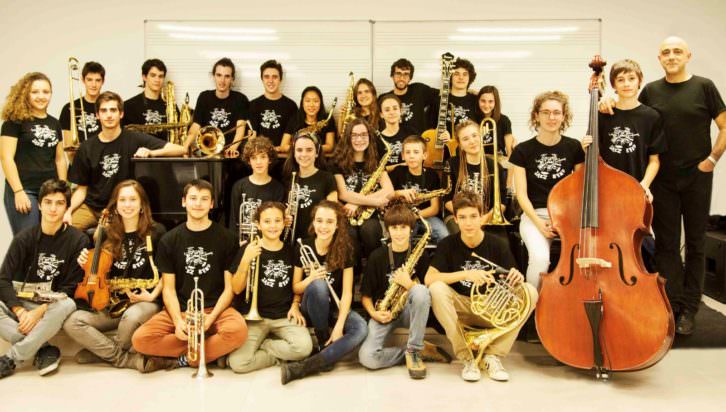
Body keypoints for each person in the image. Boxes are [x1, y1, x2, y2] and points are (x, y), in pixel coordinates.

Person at [601, 37, 726, 334]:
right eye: (666, 52)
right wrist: (606, 99)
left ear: (688, 55)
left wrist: (712, 158)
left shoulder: (704, 86)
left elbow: (724, 125)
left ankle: (691, 310)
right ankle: (673, 304)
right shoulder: (652, 90)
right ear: (659, 58)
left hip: (697, 177)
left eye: (677, 51)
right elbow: (629, 113)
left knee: (695, 243)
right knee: (667, 245)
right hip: (663, 180)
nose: (672, 56)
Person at [131, 179, 248, 368]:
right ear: (184, 201)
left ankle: (186, 359)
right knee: (140, 339)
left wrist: (210, 319)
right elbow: (168, 290)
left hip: (216, 310)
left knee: (239, 331)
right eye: (193, 198)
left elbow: (229, 289)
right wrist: (178, 322)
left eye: (204, 199)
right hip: (183, 309)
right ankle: (206, 353)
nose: (198, 204)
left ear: (211, 204)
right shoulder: (169, 240)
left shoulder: (227, 238)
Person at [425, 191, 538, 382]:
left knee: (530, 292)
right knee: (436, 288)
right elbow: (429, 279)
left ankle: (493, 355)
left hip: (491, 309)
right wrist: (466, 274)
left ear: (481, 217)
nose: (468, 223)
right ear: (456, 220)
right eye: (462, 217)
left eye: (473, 216)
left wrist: (517, 277)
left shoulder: (498, 244)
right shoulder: (447, 244)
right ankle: (467, 357)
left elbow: (512, 281)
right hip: (461, 308)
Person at [63, 180, 173, 372]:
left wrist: (153, 295)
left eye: (132, 199)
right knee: (72, 321)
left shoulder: (157, 232)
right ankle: (124, 358)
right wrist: (85, 263)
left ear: (142, 205)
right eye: (122, 200)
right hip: (112, 304)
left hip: (144, 302)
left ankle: (100, 352)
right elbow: (97, 272)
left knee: (130, 319)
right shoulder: (105, 234)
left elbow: (170, 271)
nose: (127, 205)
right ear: (115, 205)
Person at [0, 179, 87, 378]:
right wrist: (20, 310)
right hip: (25, 299)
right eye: (48, 202)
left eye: (59, 203)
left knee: (67, 304)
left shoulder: (78, 239)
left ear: (66, 207)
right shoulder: (24, 238)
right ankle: (43, 348)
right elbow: (3, 279)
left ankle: (12, 358)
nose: (53, 209)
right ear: (39, 205)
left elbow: (70, 289)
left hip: (53, 304)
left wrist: (39, 312)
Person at [64, 91, 185, 231]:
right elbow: (81, 190)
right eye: (104, 110)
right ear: (97, 115)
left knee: (108, 236)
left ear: (121, 114)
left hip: (121, 209)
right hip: (91, 207)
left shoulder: (135, 138)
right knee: (66, 232)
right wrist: (68, 210)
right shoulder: (86, 147)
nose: (109, 115)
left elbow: (180, 149)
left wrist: (151, 152)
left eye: (113, 110)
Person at [358, 203, 450, 379]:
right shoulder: (377, 256)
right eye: (394, 227)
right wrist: (374, 314)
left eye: (403, 227)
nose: (399, 232)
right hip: (385, 312)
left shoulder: (419, 255)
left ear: (411, 229)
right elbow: (366, 296)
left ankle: (414, 350)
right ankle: (414, 351)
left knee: (421, 291)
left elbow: (425, 295)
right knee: (367, 358)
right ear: (388, 230)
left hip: (410, 312)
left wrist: (408, 284)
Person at [281, 201, 367, 384]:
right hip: (312, 306)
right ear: (313, 223)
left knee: (361, 328)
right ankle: (322, 338)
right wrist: (310, 278)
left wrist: (338, 327)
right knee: (319, 285)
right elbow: (296, 287)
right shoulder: (303, 245)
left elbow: (347, 294)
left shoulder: (346, 249)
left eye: (329, 221)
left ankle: (310, 364)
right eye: (319, 221)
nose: (324, 226)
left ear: (337, 225)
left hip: (336, 307)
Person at [509, 91, 585, 289]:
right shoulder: (522, 151)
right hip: (535, 216)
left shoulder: (574, 147)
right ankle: (532, 309)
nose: (551, 118)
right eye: (546, 112)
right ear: (536, 116)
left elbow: (580, 189)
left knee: (582, 258)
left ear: (563, 116)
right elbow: (521, 195)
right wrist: (539, 222)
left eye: (556, 113)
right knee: (541, 259)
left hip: (567, 216)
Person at [227, 202, 312, 373]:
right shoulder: (248, 249)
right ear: (258, 224)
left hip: (284, 316)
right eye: (267, 221)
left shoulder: (291, 250)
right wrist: (246, 259)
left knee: (304, 349)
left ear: (283, 223)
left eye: (277, 221)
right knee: (238, 363)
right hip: (254, 319)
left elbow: (297, 285)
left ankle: (265, 345)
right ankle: (278, 355)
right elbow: (236, 289)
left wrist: (296, 304)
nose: (273, 226)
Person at [1, 72, 66, 235]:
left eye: (46, 92)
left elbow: (59, 159)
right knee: (28, 242)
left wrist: (63, 190)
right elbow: (6, 158)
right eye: (35, 92)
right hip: (25, 190)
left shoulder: (54, 123)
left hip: (49, 192)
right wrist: (18, 192)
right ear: (25, 94)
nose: (41, 96)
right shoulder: (14, 121)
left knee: (49, 243)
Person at [331, 118, 394, 260]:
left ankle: (372, 269)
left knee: (371, 230)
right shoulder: (337, 161)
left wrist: (357, 202)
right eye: (354, 135)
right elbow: (343, 193)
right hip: (346, 213)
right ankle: (354, 273)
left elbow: (389, 190)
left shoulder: (376, 160)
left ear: (369, 137)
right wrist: (376, 200)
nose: (359, 139)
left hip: (369, 213)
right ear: (348, 138)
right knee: (349, 234)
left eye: (364, 135)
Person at [442, 120, 505, 234]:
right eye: (465, 139)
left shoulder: (495, 166)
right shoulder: (451, 165)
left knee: (500, 245)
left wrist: (484, 218)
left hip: (487, 217)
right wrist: (468, 218)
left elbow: (502, 202)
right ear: (460, 144)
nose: (472, 141)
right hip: (457, 217)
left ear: (481, 136)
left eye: (475, 135)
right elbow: (447, 201)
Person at [184, 58, 250, 158]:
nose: (222, 80)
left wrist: (233, 147)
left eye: (227, 76)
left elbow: (240, 128)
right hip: (207, 153)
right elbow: (195, 126)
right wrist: (185, 146)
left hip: (230, 154)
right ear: (213, 76)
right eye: (219, 75)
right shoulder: (204, 97)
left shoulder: (240, 99)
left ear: (232, 79)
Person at [389, 135, 449, 242]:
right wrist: (399, 193)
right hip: (402, 218)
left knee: (444, 236)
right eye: (408, 152)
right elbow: (387, 195)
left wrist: (414, 216)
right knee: (402, 240)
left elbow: (434, 209)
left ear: (424, 155)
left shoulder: (432, 175)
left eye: (416, 152)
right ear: (402, 156)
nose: (411, 156)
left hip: (426, 216)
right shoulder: (397, 172)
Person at [281, 130, 338, 243]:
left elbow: (333, 212)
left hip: (318, 238)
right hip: (291, 239)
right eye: (299, 150)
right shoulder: (288, 178)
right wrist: (284, 216)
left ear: (316, 153)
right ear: (294, 153)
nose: (304, 154)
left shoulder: (327, 178)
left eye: (309, 150)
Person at [228, 137, 285, 242]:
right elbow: (233, 220)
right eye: (254, 158)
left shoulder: (278, 188)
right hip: (243, 242)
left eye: (263, 157)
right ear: (249, 161)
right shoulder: (239, 186)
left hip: (268, 242)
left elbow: (277, 223)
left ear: (270, 160)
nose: (258, 162)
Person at [248, 60, 298, 155]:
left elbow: (294, 137)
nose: (270, 81)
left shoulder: (291, 106)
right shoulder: (253, 105)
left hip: (284, 158)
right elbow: (252, 137)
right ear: (262, 79)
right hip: (260, 157)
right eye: (266, 77)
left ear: (280, 79)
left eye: (274, 77)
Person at [474, 85, 517, 190]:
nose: (486, 105)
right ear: (478, 101)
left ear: (496, 102)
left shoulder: (504, 120)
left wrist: (509, 180)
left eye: (490, 101)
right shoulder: (473, 119)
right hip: (478, 165)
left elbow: (510, 153)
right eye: (483, 101)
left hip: (500, 165)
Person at [380, 58, 438, 135]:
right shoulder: (385, 99)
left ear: (410, 78)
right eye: (398, 73)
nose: (401, 78)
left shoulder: (419, 90)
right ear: (392, 76)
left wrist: (431, 123)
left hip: (418, 143)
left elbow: (442, 96)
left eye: (406, 74)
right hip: (395, 143)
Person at [122, 59, 176, 140]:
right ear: (144, 77)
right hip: (140, 152)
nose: (157, 80)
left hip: (166, 151)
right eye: (153, 75)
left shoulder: (170, 106)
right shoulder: (128, 106)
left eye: (160, 76)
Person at [59, 61, 105, 153]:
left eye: (98, 80)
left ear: (103, 82)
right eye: (89, 79)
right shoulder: (69, 108)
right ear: (83, 80)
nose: (93, 85)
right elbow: (68, 147)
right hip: (77, 162)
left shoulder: (108, 108)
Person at [280, 86, 337, 155]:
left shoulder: (328, 119)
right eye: (307, 101)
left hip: (320, 161)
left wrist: (309, 148)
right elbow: (283, 145)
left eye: (316, 101)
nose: (311, 105)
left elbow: (330, 146)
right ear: (302, 103)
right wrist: (304, 149)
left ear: (320, 103)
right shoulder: (295, 118)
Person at [379, 94, 415, 169]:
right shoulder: (377, 139)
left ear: (400, 111)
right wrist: (400, 166)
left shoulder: (411, 133)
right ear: (381, 114)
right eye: (387, 110)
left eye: (395, 108)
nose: (391, 112)